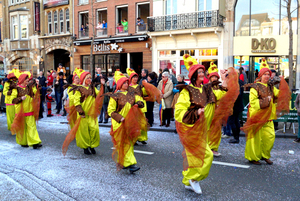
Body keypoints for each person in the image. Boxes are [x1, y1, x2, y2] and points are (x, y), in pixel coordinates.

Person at [175, 54, 238, 194]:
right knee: (207, 156)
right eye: (200, 72)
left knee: (194, 159)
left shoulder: (207, 89)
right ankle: (194, 179)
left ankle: (187, 181)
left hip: (203, 130)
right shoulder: (187, 92)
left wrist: (225, 78)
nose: (203, 74)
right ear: (193, 76)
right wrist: (196, 113)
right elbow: (178, 113)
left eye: (203, 72)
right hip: (191, 131)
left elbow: (223, 93)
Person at [242, 59, 290, 165]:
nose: (267, 76)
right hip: (257, 117)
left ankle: (265, 155)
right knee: (256, 139)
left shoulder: (271, 87)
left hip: (268, 117)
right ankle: (253, 157)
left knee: (270, 137)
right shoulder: (255, 87)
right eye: (265, 74)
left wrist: (283, 84)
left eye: (268, 74)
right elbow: (253, 102)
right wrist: (266, 100)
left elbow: (279, 95)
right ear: (260, 76)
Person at [107, 70, 147, 173]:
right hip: (119, 123)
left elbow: (138, 101)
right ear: (120, 84)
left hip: (129, 122)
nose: (126, 84)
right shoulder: (115, 96)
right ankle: (131, 164)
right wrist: (120, 118)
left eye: (127, 82)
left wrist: (139, 103)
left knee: (127, 143)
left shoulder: (131, 94)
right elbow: (110, 111)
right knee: (124, 143)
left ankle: (124, 162)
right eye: (124, 83)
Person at [62, 69, 104, 155]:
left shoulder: (92, 88)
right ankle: (85, 147)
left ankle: (92, 145)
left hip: (91, 114)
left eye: (90, 78)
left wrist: (102, 85)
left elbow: (100, 95)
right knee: (84, 132)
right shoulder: (79, 89)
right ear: (84, 79)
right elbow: (77, 102)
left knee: (94, 130)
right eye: (88, 78)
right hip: (83, 114)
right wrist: (81, 112)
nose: (90, 80)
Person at [11, 72, 42, 149]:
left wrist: (37, 85)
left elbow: (35, 93)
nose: (28, 80)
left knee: (32, 126)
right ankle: (23, 142)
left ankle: (35, 142)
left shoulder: (29, 87)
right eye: (26, 79)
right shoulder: (16, 88)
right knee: (21, 127)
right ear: (22, 80)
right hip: (20, 111)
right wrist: (20, 98)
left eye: (28, 79)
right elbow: (13, 100)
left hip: (29, 110)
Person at [3, 68, 20, 133]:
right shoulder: (7, 83)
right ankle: (12, 129)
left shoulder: (18, 82)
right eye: (14, 78)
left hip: (17, 101)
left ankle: (17, 128)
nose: (15, 79)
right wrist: (8, 92)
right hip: (9, 102)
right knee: (11, 117)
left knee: (16, 116)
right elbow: (4, 92)